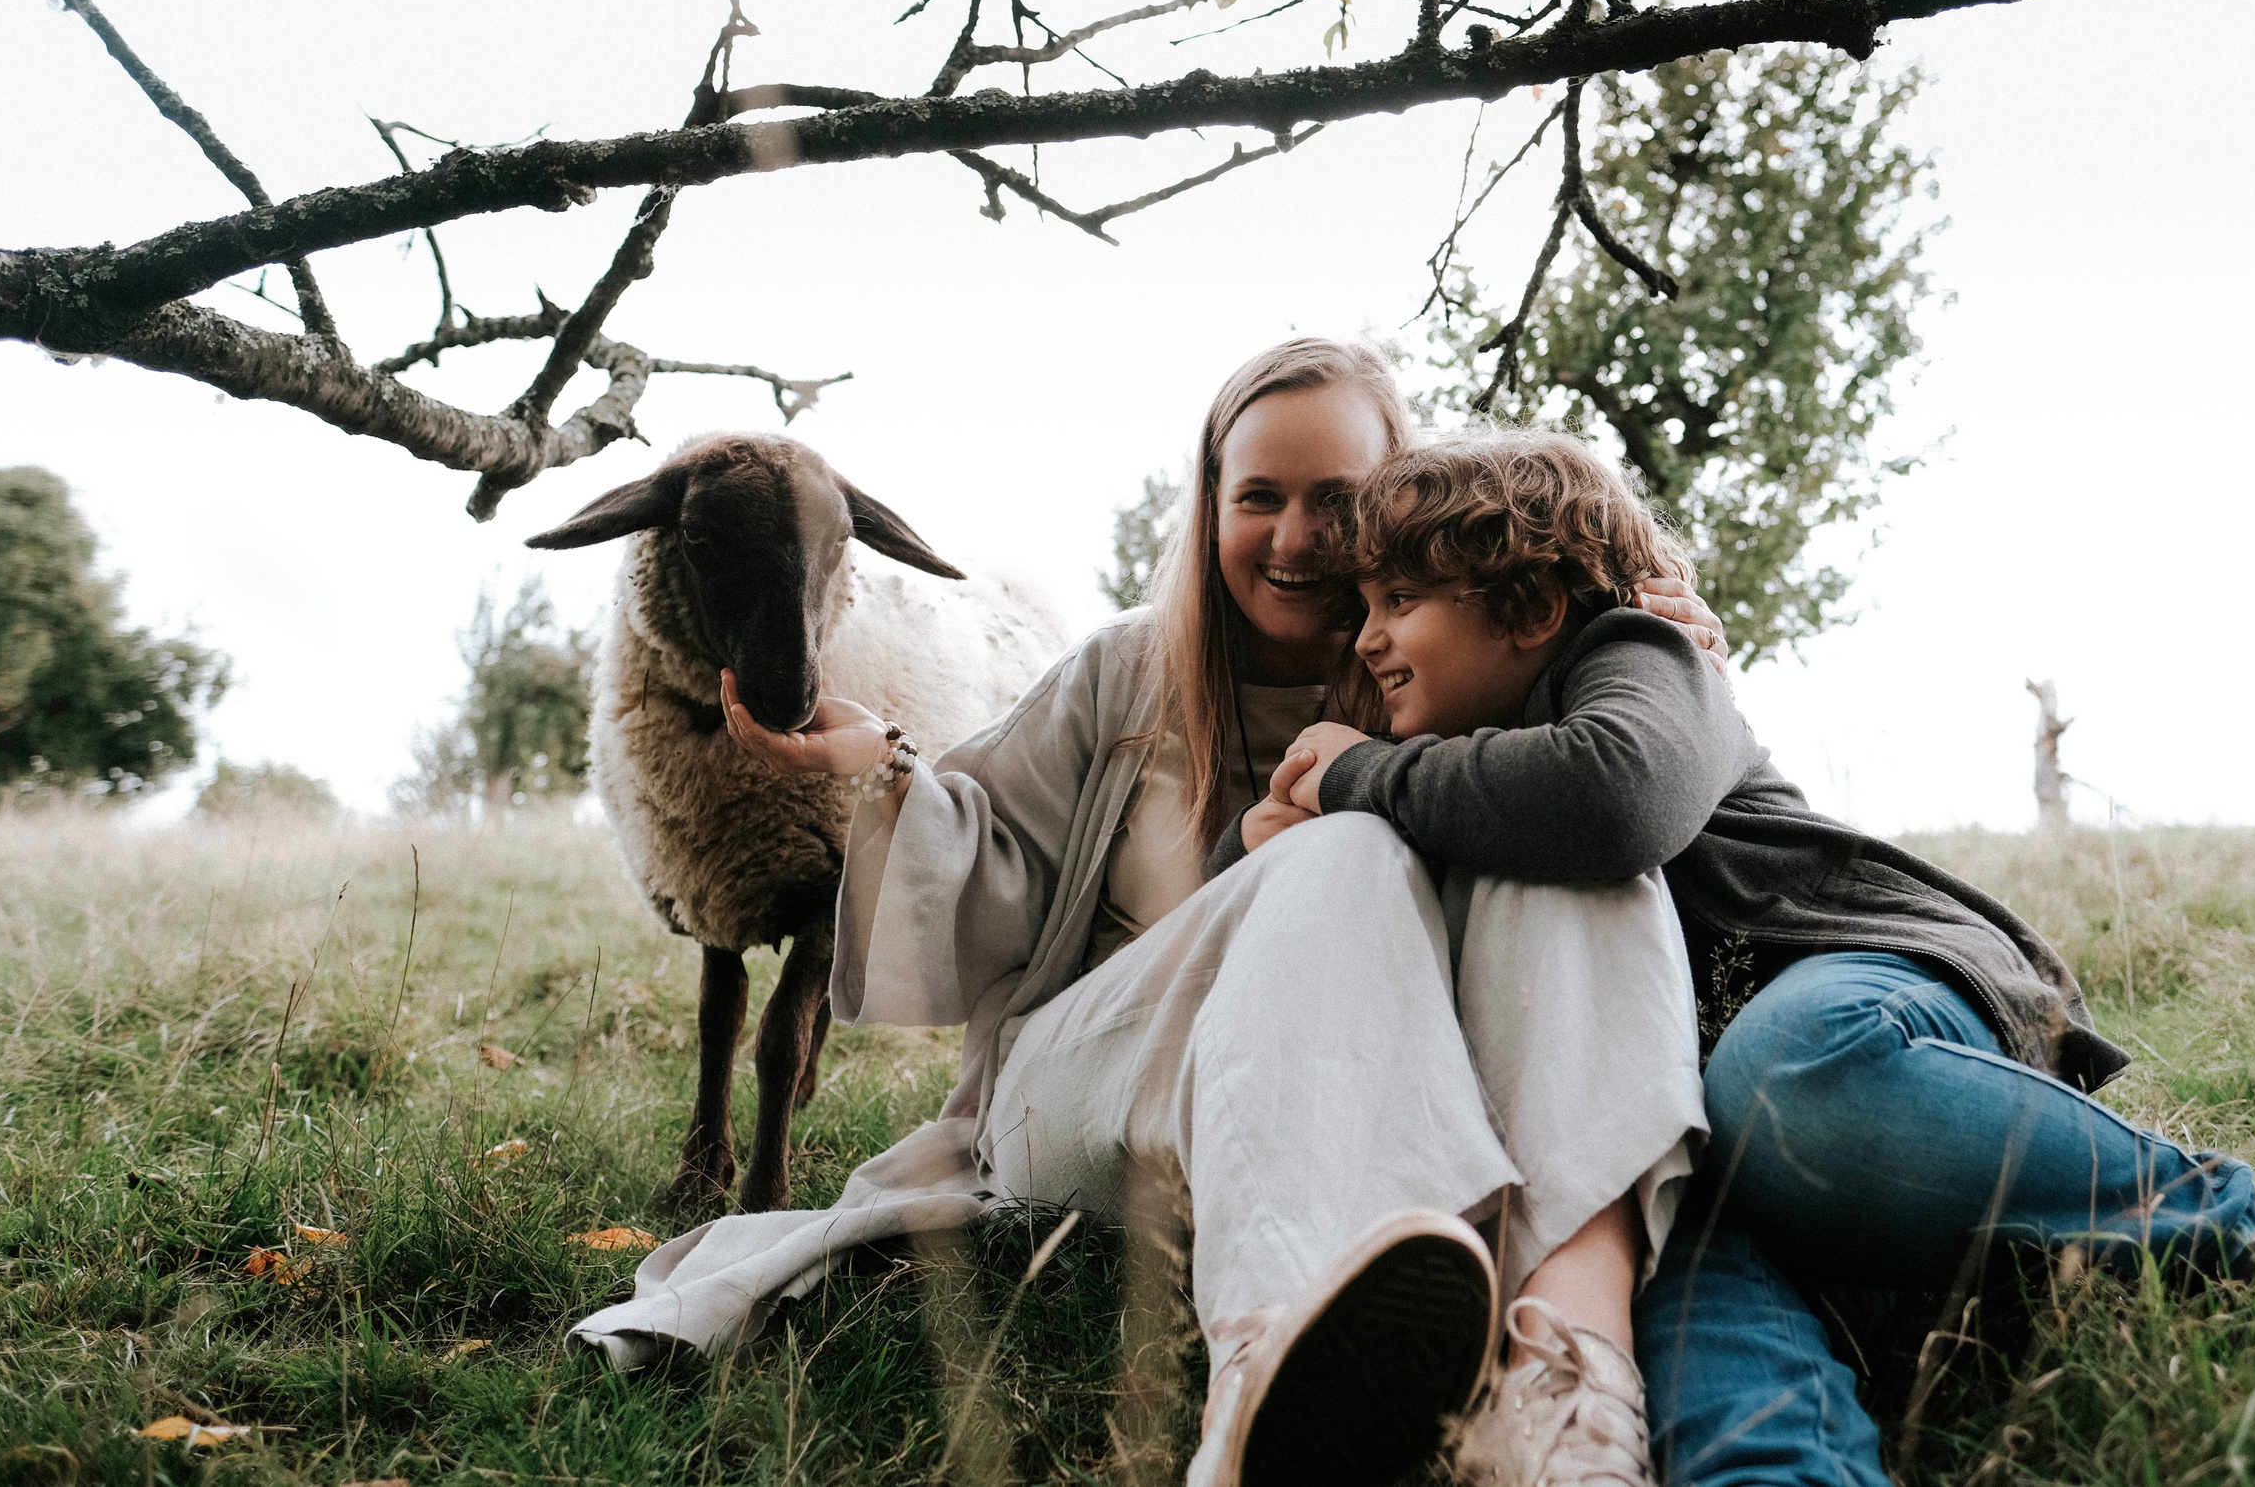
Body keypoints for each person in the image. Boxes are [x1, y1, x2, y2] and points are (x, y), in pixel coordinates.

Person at [565, 338, 1728, 1487]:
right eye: (1258, 496)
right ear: (1209, 503)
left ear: (1397, 499)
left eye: (1338, 498)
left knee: (1583, 858)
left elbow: (1631, 802)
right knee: (1341, 854)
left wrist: (1665, 667)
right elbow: (989, 875)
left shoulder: (1470, 666)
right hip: (1087, 1092)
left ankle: (1569, 1398)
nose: (1294, 537)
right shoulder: (1127, 671)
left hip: (1384, 1089)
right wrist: (883, 769)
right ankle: (1265, 1380)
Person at [1247, 427, 2255, 1487]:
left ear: (1534, 603)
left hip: (1876, 1001)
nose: (1367, 638)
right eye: (1362, 610)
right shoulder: (1456, 779)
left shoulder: (1638, 655)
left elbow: (1617, 796)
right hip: (1717, 1157)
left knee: (1786, 1078)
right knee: (1719, 1389)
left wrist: (1352, 772)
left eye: (1399, 602)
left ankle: (2236, 1233)